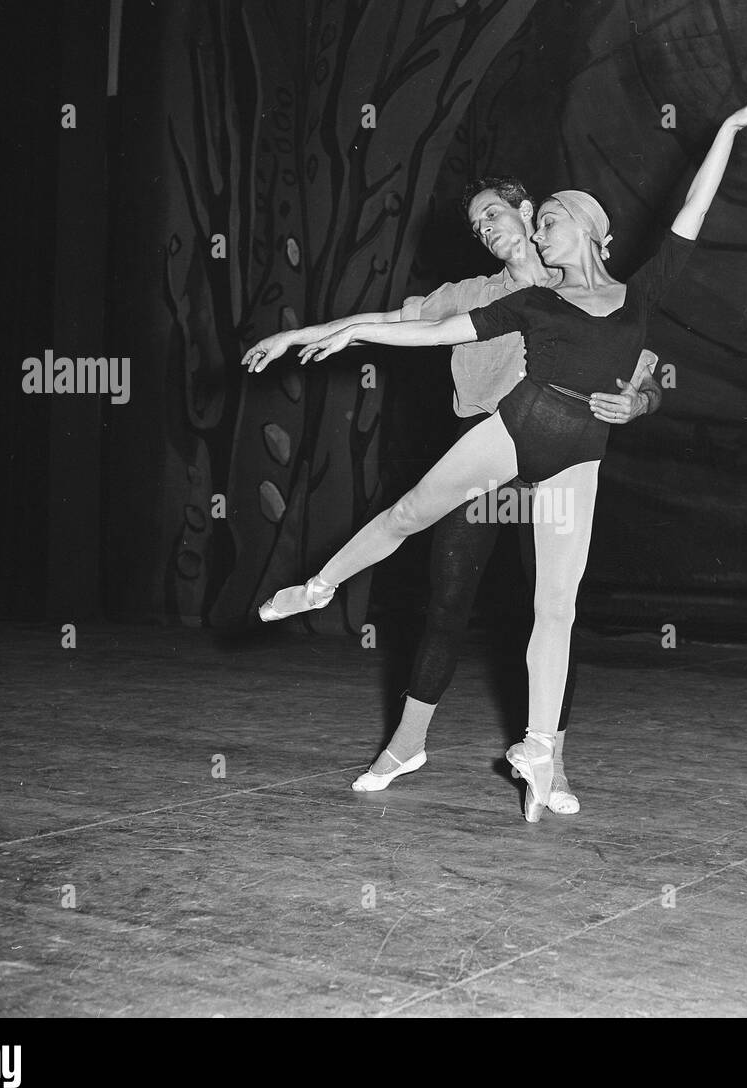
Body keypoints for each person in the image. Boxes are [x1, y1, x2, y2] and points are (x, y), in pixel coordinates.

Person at [247, 92, 747, 822]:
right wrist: (332, 333)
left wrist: (727, 127)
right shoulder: (517, 304)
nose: (515, 231)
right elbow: (423, 331)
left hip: (579, 456)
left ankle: (543, 749)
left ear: (587, 230)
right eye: (492, 224)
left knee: (557, 607)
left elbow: (691, 216)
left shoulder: (638, 298)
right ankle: (320, 586)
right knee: (414, 516)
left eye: (530, 219)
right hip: (514, 428)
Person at [247, 177, 662, 815]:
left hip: (560, 456)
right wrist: (299, 336)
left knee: (552, 610)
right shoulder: (467, 296)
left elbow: (649, 374)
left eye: (494, 214)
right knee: (447, 602)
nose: (487, 229)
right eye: (477, 226)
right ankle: (405, 745)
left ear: (531, 214)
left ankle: (552, 763)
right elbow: (391, 324)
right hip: (488, 446)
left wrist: (636, 402)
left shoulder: (578, 286)